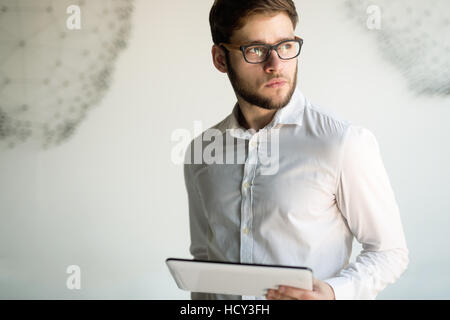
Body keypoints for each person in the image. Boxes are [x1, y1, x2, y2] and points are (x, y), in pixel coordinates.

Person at [183, 0, 408, 300]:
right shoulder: (201, 152)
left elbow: (390, 252)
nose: (275, 64)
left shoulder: (343, 143)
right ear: (220, 59)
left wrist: (331, 292)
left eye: (285, 45)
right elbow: (205, 262)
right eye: (255, 49)